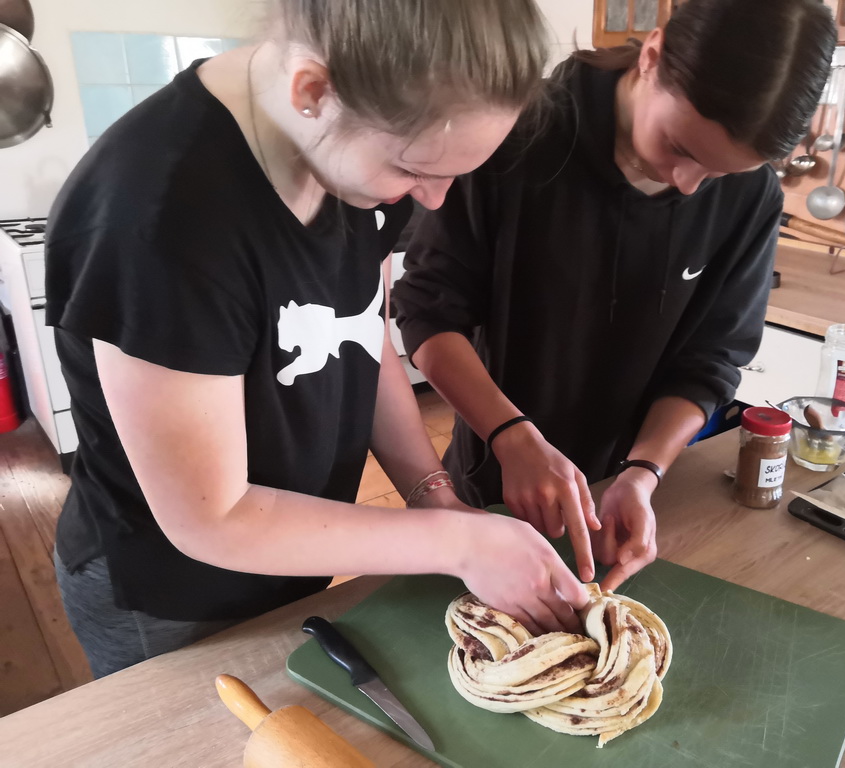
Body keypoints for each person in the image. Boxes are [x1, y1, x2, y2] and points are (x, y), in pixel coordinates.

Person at [45, 0, 589, 679]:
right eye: (414, 169)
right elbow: (211, 517)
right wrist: (457, 541)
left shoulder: (346, 157)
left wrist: (433, 495)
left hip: (296, 554)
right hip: (174, 597)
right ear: (313, 91)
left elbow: (365, 333)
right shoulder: (161, 219)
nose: (434, 200)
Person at [392, 0, 837, 592]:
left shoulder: (752, 197)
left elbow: (710, 359)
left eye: (719, 174)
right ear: (652, 56)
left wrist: (644, 471)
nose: (687, 186)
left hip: (630, 492)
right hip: (497, 473)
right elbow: (428, 311)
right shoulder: (514, 134)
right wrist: (512, 436)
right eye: (680, 148)